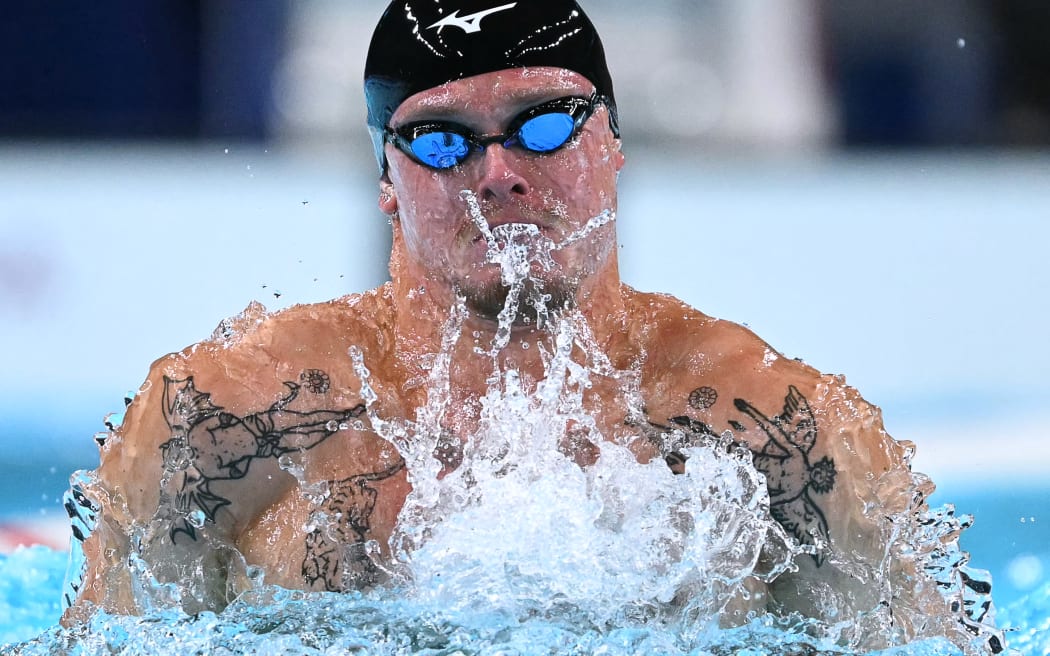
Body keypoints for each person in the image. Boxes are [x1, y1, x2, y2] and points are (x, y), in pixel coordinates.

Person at [65, 1, 1002, 652]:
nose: (498, 171)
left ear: (615, 141)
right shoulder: (220, 417)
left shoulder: (781, 430)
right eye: (440, 140)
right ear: (386, 184)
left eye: (543, 124)